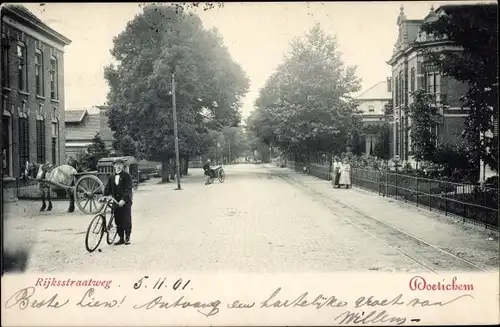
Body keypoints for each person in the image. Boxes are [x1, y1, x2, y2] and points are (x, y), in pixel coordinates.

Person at [103, 158, 133, 245]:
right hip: (115, 202)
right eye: (117, 165)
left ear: (122, 166)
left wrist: (123, 200)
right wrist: (104, 197)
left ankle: (127, 237)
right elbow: (107, 188)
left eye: (120, 165)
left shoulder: (127, 176)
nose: (118, 166)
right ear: (114, 166)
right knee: (118, 220)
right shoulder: (111, 177)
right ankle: (121, 238)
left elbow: (128, 189)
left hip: (125, 202)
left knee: (126, 220)